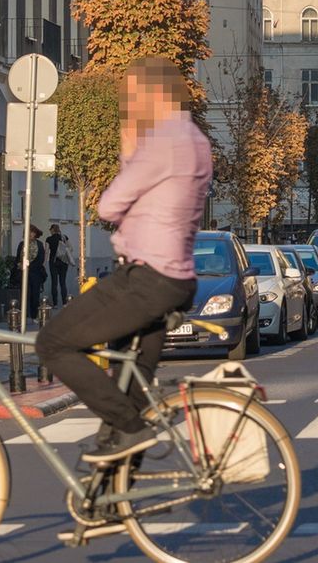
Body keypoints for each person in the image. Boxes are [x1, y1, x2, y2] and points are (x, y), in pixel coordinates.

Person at [36, 56, 210, 464]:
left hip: (146, 279)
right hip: (177, 280)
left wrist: (129, 148)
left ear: (152, 94)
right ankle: (112, 503)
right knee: (129, 392)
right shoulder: (196, 140)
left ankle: (130, 431)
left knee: (54, 343)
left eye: (131, 96)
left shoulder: (164, 140)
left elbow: (111, 205)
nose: (127, 104)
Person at [17, 225, 48, 320]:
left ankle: (34, 315)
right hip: (24, 273)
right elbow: (18, 258)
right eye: (28, 232)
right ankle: (24, 315)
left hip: (35, 273)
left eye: (32, 232)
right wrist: (20, 266)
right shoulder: (22, 244)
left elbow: (41, 259)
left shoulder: (39, 244)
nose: (30, 234)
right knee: (24, 295)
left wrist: (31, 267)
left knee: (35, 295)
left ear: (35, 234)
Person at [46, 224, 72, 307]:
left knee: (54, 282)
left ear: (52, 230)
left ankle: (55, 303)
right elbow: (70, 248)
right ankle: (64, 303)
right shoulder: (64, 237)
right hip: (64, 262)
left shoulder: (49, 239)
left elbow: (46, 251)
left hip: (53, 262)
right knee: (63, 282)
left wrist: (44, 262)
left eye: (50, 230)